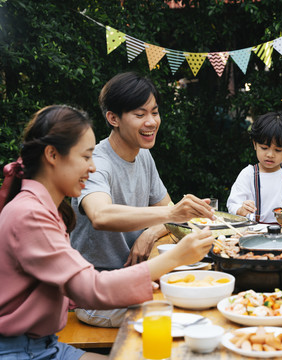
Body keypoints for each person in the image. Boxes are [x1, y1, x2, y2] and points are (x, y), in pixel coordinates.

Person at [0, 105, 214, 360]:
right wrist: (175, 257)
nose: (92, 168)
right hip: (20, 351)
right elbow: (90, 289)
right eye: (86, 156)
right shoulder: (30, 214)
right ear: (52, 155)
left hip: (47, 345)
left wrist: (137, 277)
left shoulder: (46, 208)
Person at [70, 72, 215, 327]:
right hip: (95, 294)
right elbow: (101, 216)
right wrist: (171, 216)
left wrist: (150, 233)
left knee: (205, 295)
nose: (151, 122)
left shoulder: (143, 155)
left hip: (133, 279)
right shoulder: (96, 164)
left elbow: (167, 210)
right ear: (113, 118)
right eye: (139, 115)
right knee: (187, 317)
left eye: (155, 112)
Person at [227, 111, 282, 224]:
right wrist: (241, 210)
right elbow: (232, 205)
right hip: (255, 233)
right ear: (255, 145)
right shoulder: (248, 174)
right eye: (264, 148)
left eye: (278, 150)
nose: (270, 155)